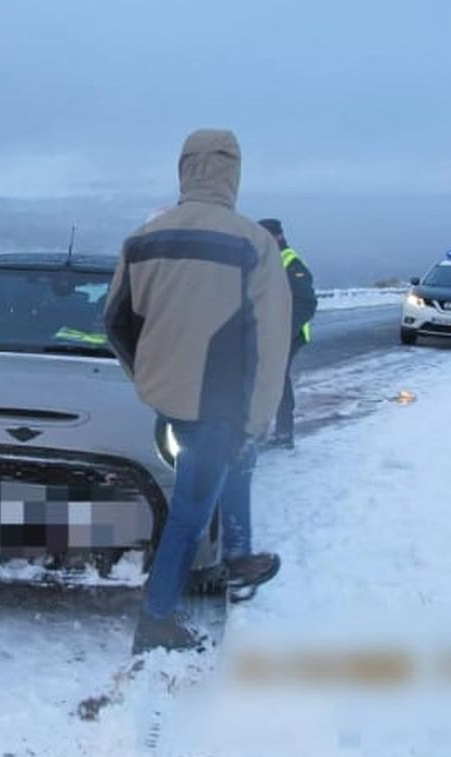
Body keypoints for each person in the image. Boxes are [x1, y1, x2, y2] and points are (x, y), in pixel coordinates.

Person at [105, 129, 292, 654]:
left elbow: (115, 321)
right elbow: (270, 343)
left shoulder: (143, 239)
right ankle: (155, 620)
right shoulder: (253, 243)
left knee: (223, 474)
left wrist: (148, 376)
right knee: (189, 512)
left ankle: (238, 557)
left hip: (171, 400)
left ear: (185, 168)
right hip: (221, 405)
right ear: (233, 172)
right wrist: (257, 417)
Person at [258, 218, 317, 449]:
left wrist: (284, 331)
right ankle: (264, 431)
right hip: (270, 333)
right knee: (265, 380)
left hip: (290, 335)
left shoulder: (290, 262)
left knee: (277, 380)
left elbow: (307, 303)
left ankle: (284, 433)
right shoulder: (265, 260)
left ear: (277, 237)